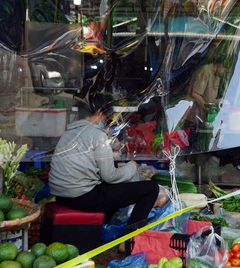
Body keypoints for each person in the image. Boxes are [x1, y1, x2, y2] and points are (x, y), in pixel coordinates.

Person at [49, 94, 160, 249]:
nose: (107, 123)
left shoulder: (69, 132)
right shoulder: (97, 135)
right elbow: (110, 177)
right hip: (82, 197)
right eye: (107, 119)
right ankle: (129, 241)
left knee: (112, 190)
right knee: (150, 189)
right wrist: (131, 167)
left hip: (61, 196)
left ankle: (102, 229)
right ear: (100, 113)